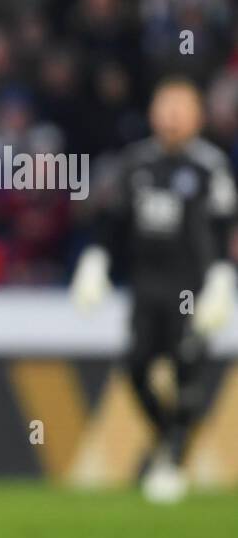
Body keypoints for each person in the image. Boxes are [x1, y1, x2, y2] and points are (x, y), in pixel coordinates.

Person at [70, 77, 236, 502]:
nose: (172, 115)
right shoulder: (136, 163)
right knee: (136, 366)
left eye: (181, 106)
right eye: (165, 106)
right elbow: (113, 224)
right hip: (147, 288)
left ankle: (176, 459)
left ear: (198, 115)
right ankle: (167, 438)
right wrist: (96, 261)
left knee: (187, 367)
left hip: (191, 287)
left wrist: (221, 278)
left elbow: (222, 230)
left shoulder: (209, 168)